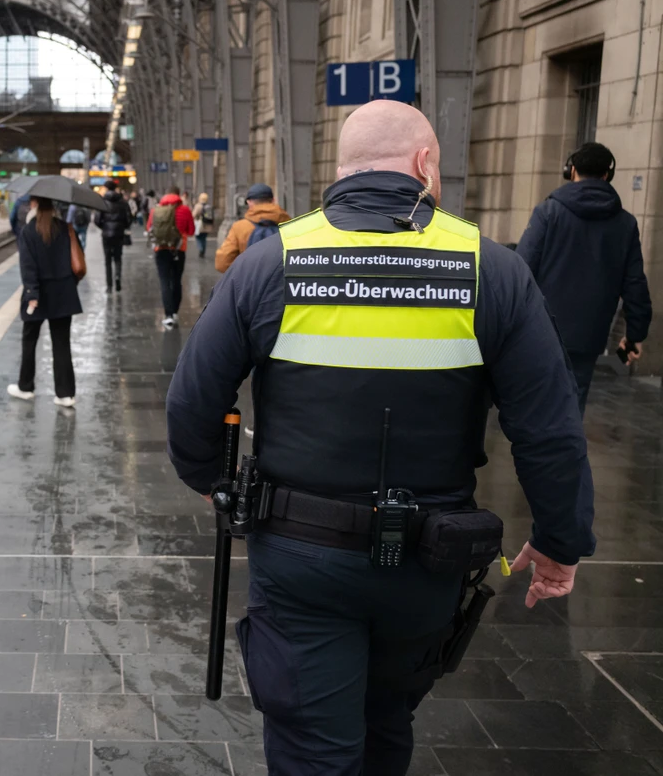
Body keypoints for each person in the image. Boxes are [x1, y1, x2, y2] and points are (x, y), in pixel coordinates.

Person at [166, 100, 594, 775]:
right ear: (424, 165)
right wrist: (559, 541)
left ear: (343, 168)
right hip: (429, 561)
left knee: (315, 746)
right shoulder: (492, 269)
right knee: (388, 724)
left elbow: (191, 401)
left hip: (300, 556)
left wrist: (214, 483)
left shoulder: (271, 263)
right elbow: (548, 426)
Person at [516, 142, 652, 413]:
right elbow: (635, 283)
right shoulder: (625, 224)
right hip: (589, 336)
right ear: (606, 175)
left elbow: (521, 269)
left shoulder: (548, 212)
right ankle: (564, 453)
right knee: (570, 410)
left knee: (534, 407)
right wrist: (635, 334)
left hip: (540, 330)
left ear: (572, 170)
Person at [8, 197, 81, 407]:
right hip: (63, 295)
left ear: (34, 205)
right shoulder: (65, 228)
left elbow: (27, 266)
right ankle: (65, 394)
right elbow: (77, 258)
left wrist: (32, 294)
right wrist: (68, 284)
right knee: (61, 344)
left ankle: (25, 386)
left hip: (37, 297)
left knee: (29, 341)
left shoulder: (29, 231)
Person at [146, 186, 195, 328]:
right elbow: (191, 231)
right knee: (176, 280)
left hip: (161, 249)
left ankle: (168, 316)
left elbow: (149, 227)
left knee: (164, 281)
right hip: (179, 250)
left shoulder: (155, 210)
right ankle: (174, 312)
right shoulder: (184, 210)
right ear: (179, 195)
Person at [214, 183, 291, 273]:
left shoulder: (240, 227)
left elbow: (222, 263)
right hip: (281, 283)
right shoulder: (289, 224)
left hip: (251, 282)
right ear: (273, 200)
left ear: (249, 202)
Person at [95, 179, 133, 292]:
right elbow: (129, 218)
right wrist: (123, 226)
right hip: (119, 233)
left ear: (106, 188)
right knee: (118, 258)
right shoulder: (122, 202)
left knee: (107, 260)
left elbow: (97, 220)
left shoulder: (102, 202)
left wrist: (104, 227)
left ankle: (109, 285)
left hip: (106, 235)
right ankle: (117, 277)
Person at [191, 192, 215, 258]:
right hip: (207, 226)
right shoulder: (209, 206)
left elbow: (193, 215)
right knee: (204, 239)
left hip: (199, 225)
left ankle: (200, 249)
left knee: (198, 238)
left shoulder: (198, 206)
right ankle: (203, 251)